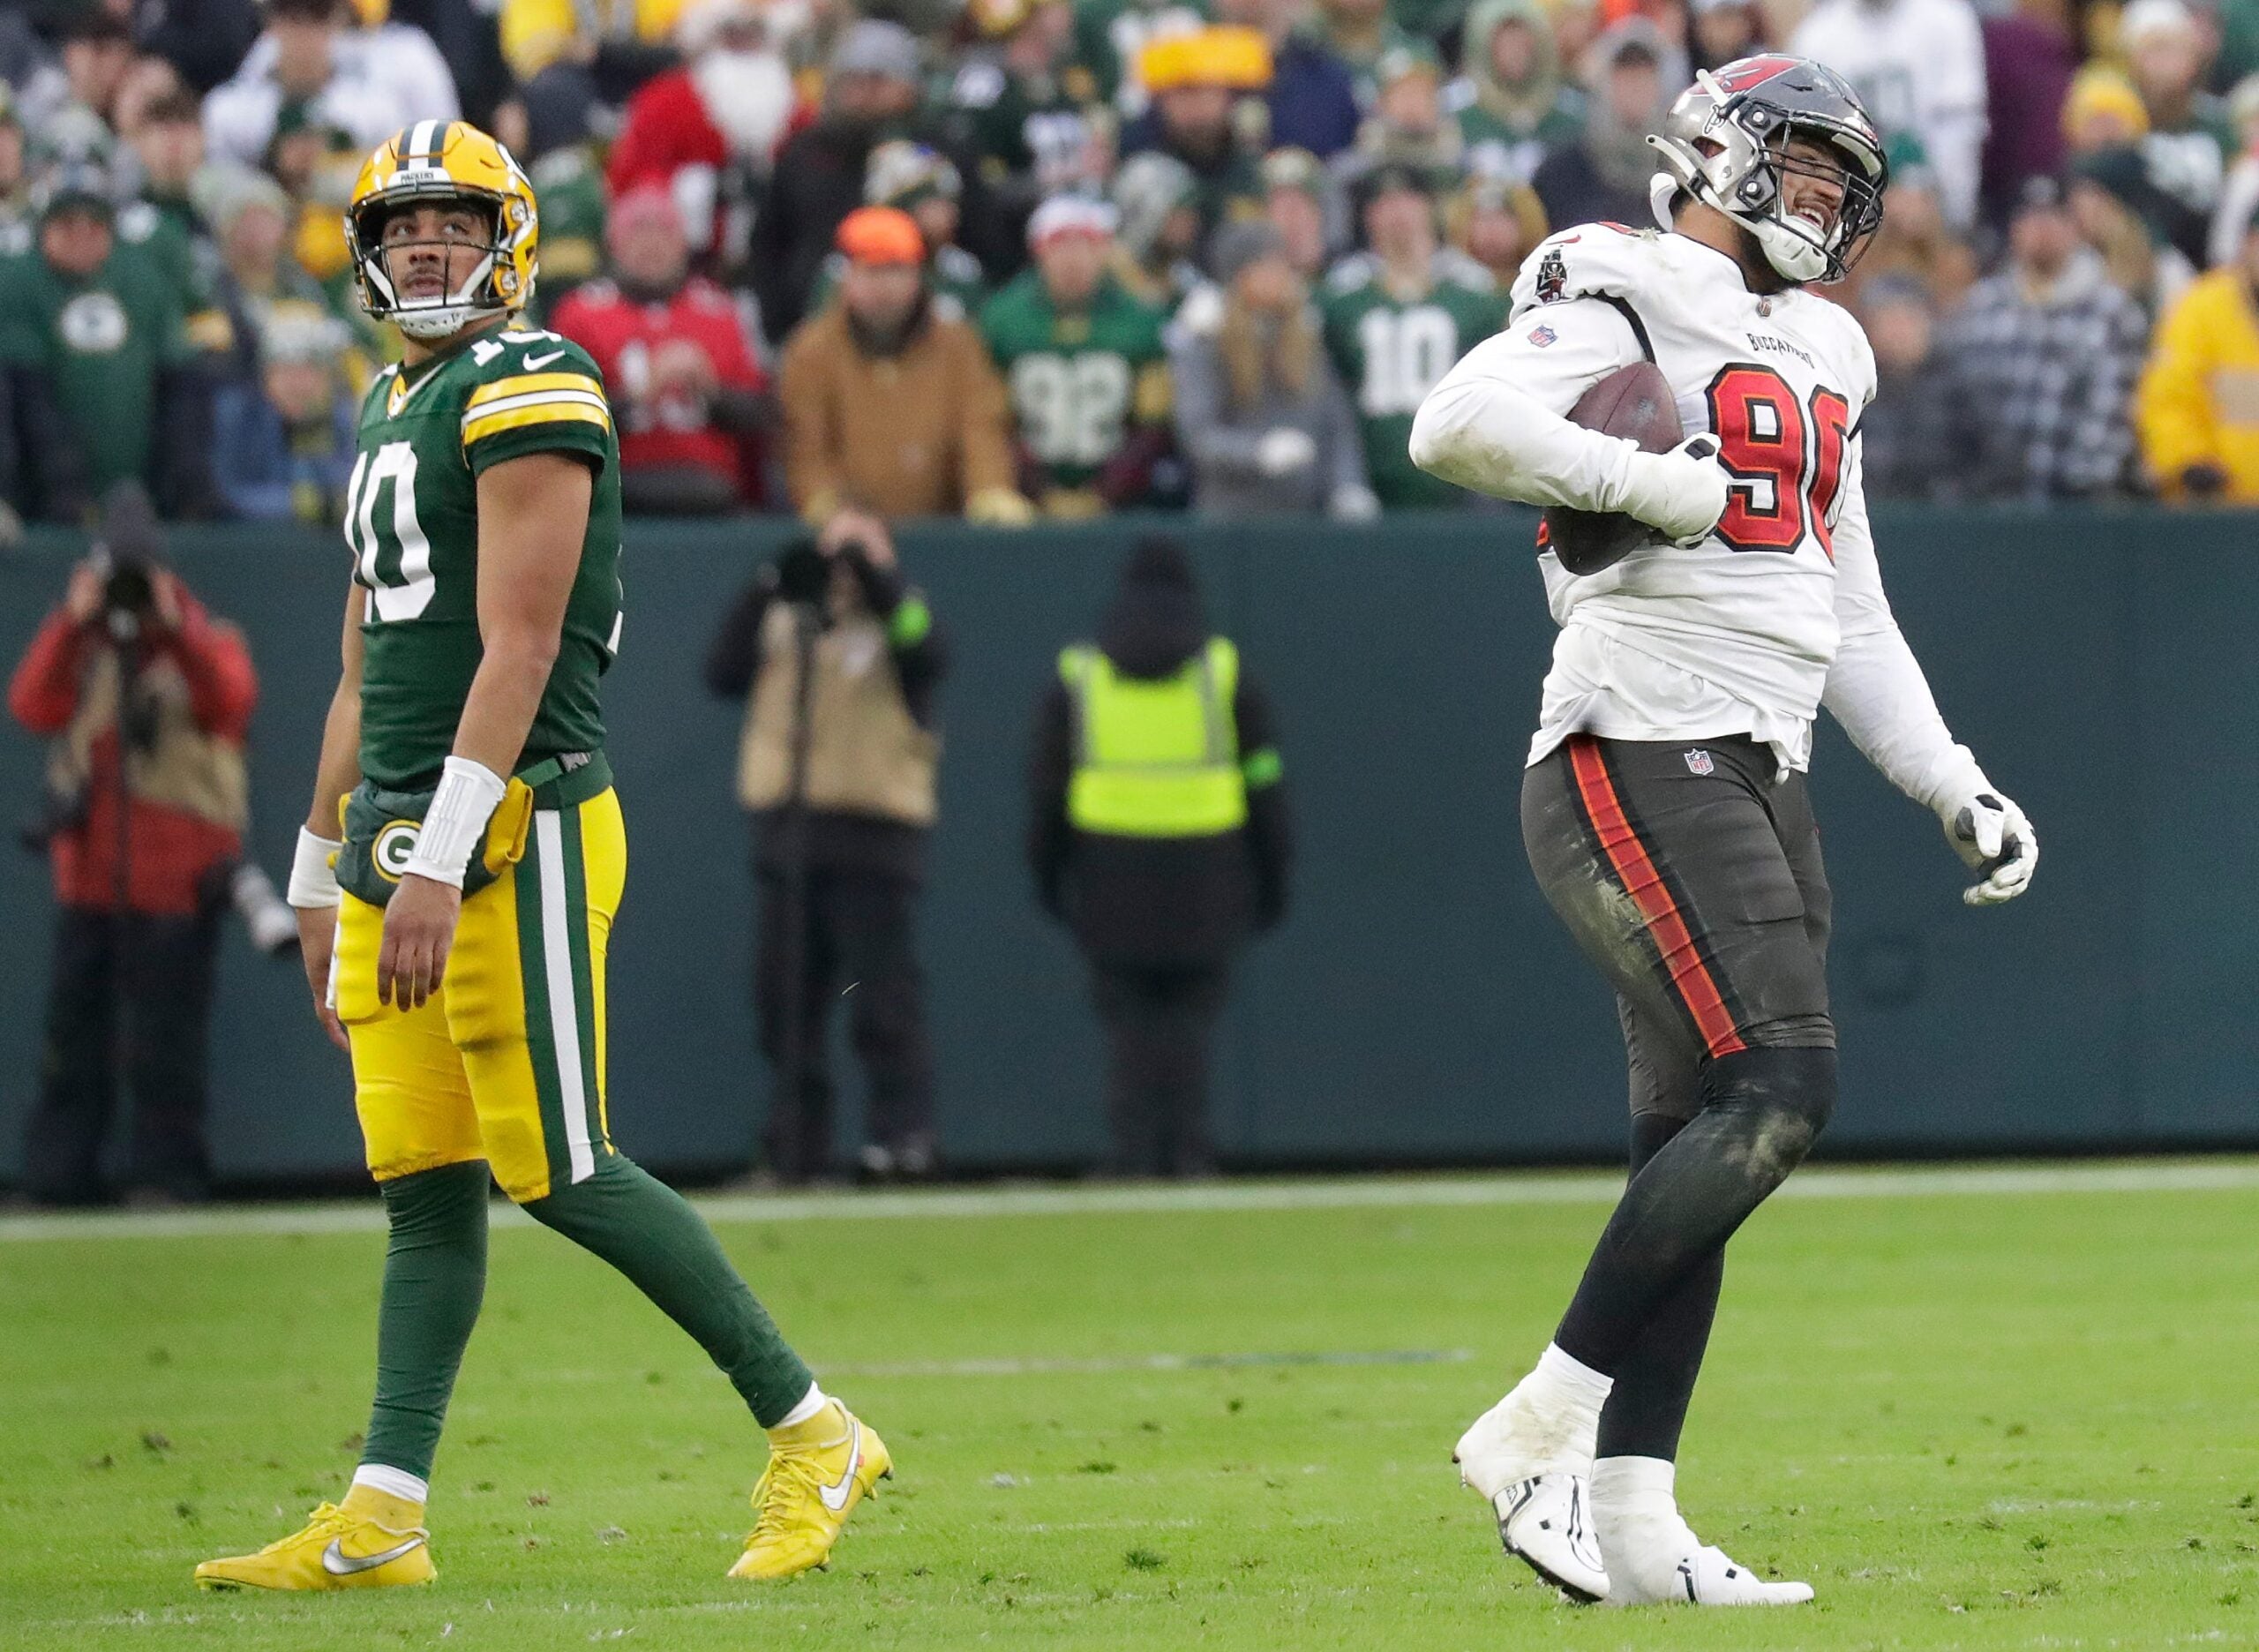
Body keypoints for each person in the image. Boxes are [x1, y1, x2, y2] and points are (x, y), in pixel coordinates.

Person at [192, 120, 889, 1595]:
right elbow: (361, 659)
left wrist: (439, 859)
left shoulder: (533, 378)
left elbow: (518, 646)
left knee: (559, 1166)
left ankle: (814, 1428)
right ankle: (384, 1515)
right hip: (401, 827)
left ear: (507, 237)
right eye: (403, 231)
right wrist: (322, 866)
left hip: (522, 826)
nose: (427, 251)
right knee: (426, 1182)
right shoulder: (393, 400)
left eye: (454, 226)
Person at [1408, 56, 2038, 1607]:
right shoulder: (1616, 276)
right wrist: (1647, 484)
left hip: (1765, 753)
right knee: (1783, 1081)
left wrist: (1948, 776)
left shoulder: (1828, 342)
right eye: (1804, 171)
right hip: (1637, 737)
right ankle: (1539, 1424)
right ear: (1712, 154)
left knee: (1695, 1135)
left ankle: (1633, 1522)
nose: (1826, 204)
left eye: (1844, 183)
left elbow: (1852, 600)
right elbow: (1457, 419)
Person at [8, 488, 257, 1206]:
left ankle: (165, 1174)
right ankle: (59, 1177)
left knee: (166, 1047)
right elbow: (31, 706)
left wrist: (173, 624)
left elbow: (229, 702)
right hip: (88, 878)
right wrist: (72, 621)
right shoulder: (85, 650)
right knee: (72, 1042)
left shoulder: (208, 638)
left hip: (178, 882)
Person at [1027, 536, 1290, 1178]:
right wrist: (1272, 878)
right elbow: (1266, 786)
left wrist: (1049, 878)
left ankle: (1131, 1154)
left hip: (1108, 873)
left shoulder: (1080, 674)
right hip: (1208, 873)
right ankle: (1189, 1152)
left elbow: (1046, 788)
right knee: (1189, 1025)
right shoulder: (1223, 673)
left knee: (1128, 1025)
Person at [702, 512, 947, 1183]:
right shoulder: (786, 621)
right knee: (784, 1005)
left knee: (883, 999)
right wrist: (768, 584)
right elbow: (720, 671)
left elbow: (929, 653)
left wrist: (877, 579)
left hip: (875, 836)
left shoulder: (902, 618)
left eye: (857, 552)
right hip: (788, 832)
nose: (841, 568)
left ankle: (902, 1140)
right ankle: (794, 1146)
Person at [778, 205, 1032, 524]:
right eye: (871, 271)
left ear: (918, 277)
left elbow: (981, 428)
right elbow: (806, 447)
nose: (884, 286)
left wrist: (990, 490)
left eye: (896, 270)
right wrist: (826, 505)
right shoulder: (811, 352)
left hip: (942, 531)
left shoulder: (958, 346)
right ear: (848, 278)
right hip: (848, 538)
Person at [0, 167, 212, 524]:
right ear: (44, 232)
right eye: (67, 225)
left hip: (143, 485)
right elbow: (27, 396)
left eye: (94, 225)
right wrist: (60, 477)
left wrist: (177, 476)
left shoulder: (141, 280)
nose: (81, 235)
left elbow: (177, 383)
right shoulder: (19, 284)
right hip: (45, 495)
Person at [551, 185, 770, 513]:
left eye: (664, 231)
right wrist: (638, 394)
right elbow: (561, 423)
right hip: (616, 488)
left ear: (683, 243)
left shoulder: (721, 311)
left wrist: (710, 391)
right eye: (638, 231)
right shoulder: (580, 313)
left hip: (711, 488)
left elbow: (760, 415)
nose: (652, 245)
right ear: (614, 242)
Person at [1939, 173, 2147, 500]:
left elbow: (2111, 425)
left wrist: (2075, 496)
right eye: (2031, 216)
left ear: (2076, 228)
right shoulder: (1981, 308)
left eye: (2055, 216)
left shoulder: (2113, 313)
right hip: (1987, 511)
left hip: (2077, 514)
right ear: (2013, 229)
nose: (2043, 228)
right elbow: (1955, 410)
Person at [1319, 163, 1507, 508]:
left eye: (1408, 200)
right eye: (1385, 203)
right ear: (1367, 215)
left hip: (1460, 486)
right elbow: (1331, 395)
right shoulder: (1340, 297)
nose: (1398, 214)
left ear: (1430, 208)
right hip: (1368, 480)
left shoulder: (1474, 293)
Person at [982, 194, 1175, 516]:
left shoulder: (1141, 321)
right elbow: (994, 422)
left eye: (1085, 245)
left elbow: (1151, 427)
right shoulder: (1002, 320)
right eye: (1059, 245)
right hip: (1026, 500)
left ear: (1104, 252)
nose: (1072, 259)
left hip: (1123, 504)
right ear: (1038, 251)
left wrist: (1106, 492)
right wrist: (1038, 489)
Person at [1168, 218, 1375, 517]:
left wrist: (1348, 485)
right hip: (1233, 521)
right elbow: (1199, 435)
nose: (1281, 275)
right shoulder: (1207, 339)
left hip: (1305, 516)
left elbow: (1336, 422)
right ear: (1240, 274)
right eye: (1268, 265)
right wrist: (1257, 452)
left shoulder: (1303, 335)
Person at [604, 0, 796, 265]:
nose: (742, 46)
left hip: (774, 255)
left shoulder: (796, 110)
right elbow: (633, 179)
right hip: (685, 257)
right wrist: (699, 188)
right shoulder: (663, 102)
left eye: (753, 36)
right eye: (732, 35)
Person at [1791, 0, 1987, 229]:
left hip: (1934, 201)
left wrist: (1945, 201)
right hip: (1852, 202)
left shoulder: (1948, 19)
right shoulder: (1815, 36)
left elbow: (1960, 127)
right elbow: (1815, 140)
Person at [2137, 203, 2259, 501]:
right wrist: (2188, 460)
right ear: (2246, 244)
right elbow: (2167, 401)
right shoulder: (2201, 308)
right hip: (2218, 511)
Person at [209, 297, 360, 521]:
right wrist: (300, 504)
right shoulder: (239, 413)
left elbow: (355, 488)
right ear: (265, 376)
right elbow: (225, 494)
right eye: (284, 370)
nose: (297, 384)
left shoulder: (343, 417)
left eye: (309, 369)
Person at [1530, 19, 1678, 233]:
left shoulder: (1681, 174)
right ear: (1603, 84)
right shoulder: (1561, 175)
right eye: (1624, 75)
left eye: (1645, 74)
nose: (1635, 85)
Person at [1452, 0, 1587, 184]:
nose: (1515, 51)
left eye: (1522, 41)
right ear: (1484, 46)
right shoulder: (1455, 108)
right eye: (1505, 41)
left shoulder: (1570, 111)